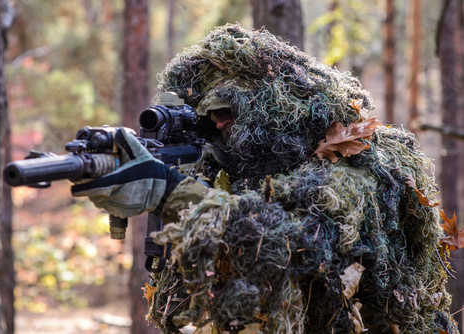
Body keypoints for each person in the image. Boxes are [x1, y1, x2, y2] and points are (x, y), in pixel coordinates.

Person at [72, 24, 460, 334]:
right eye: (205, 118)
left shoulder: (361, 161)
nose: (217, 124)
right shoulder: (244, 173)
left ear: (272, 106)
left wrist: (175, 192)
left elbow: (290, 242)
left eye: (225, 109)